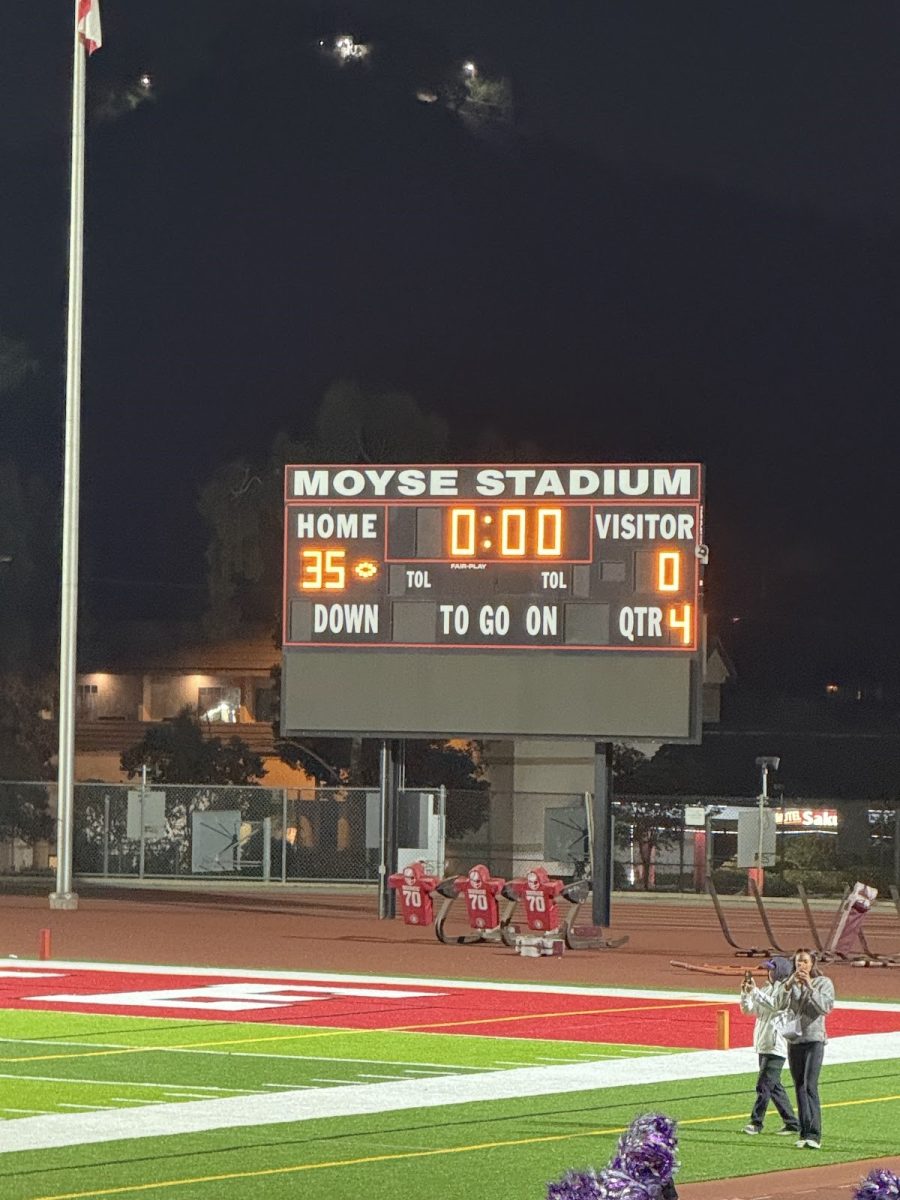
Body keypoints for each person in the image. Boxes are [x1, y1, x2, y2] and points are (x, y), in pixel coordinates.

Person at [780, 948, 835, 1150]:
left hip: (814, 1040)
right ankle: (804, 1132)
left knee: (810, 1085)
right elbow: (780, 1005)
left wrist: (810, 987)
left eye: (804, 961)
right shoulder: (792, 983)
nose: (800, 965)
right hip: (795, 1040)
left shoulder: (823, 983)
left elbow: (825, 1008)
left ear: (812, 963)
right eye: (797, 962)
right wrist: (788, 985)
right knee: (799, 1087)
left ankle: (815, 1134)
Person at [739, 956, 800, 1136]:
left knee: (763, 1085)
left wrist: (756, 992)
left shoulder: (786, 990)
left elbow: (775, 1005)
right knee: (773, 1087)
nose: (769, 972)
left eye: (773, 969)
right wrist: (745, 993)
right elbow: (750, 1010)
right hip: (764, 1044)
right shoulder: (766, 988)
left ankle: (756, 1122)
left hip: (776, 1045)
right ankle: (792, 1123)